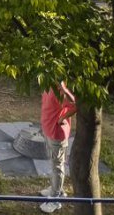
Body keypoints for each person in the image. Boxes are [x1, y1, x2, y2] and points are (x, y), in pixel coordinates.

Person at [40, 83, 77, 213]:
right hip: (48, 129)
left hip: (56, 133)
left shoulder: (61, 90)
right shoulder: (47, 82)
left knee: (57, 166)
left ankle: (56, 199)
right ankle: (57, 189)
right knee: (54, 163)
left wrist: (62, 118)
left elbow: (74, 105)